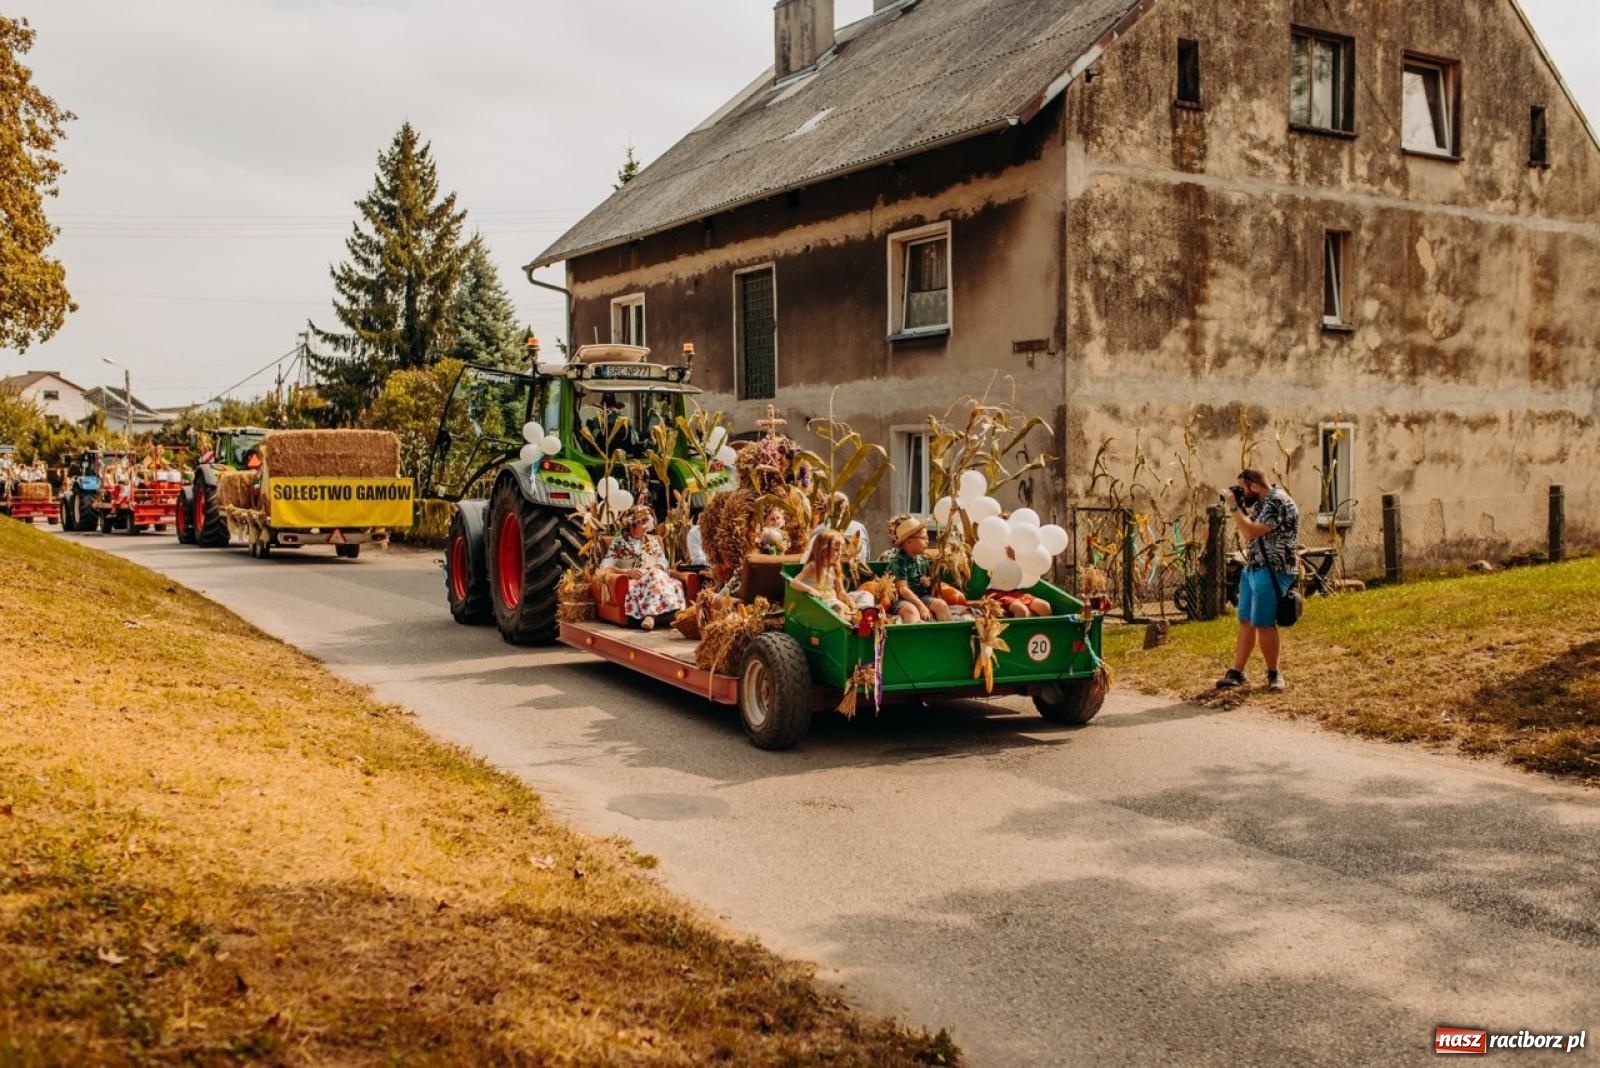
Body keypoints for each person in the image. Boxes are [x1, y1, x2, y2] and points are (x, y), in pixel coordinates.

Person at [1216, 468, 1299, 692]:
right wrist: (1240, 507)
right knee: (1246, 621)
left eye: (1243, 489)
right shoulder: (1262, 503)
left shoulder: (1277, 502)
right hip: (1253, 568)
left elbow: (1252, 532)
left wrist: (1234, 506)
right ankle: (1237, 672)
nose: (1242, 494)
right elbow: (1248, 529)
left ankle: (1274, 673)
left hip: (1273, 569)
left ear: (1254, 486)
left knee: (1263, 622)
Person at [599, 505, 686, 631]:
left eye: (646, 522)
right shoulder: (620, 543)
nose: (646, 526)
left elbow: (663, 561)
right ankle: (666, 615)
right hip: (636, 582)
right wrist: (626, 572)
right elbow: (605, 565)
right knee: (656, 577)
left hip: (655, 578)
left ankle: (651, 615)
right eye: (643, 523)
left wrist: (653, 569)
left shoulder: (651, 541)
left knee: (670, 580)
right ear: (632, 525)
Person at [886, 516, 952, 624]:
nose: (927, 541)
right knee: (911, 611)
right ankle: (916, 639)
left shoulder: (922, 560)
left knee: (941, 605)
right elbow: (903, 590)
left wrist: (927, 582)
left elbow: (927, 582)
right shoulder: (899, 563)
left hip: (921, 597)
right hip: (902, 600)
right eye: (923, 538)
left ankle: (949, 637)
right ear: (909, 542)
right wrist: (921, 606)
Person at [790, 528, 855, 618]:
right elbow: (794, 583)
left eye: (841, 550)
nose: (839, 553)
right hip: (818, 603)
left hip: (831, 601)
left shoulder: (835, 567)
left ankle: (860, 630)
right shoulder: (813, 566)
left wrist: (848, 600)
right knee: (839, 609)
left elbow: (840, 591)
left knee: (853, 613)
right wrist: (810, 590)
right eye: (836, 550)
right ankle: (842, 629)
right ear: (823, 551)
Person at [806, 491, 870, 561]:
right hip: (859, 570)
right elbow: (867, 559)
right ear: (848, 509)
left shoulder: (817, 532)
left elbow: (808, 561)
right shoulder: (860, 528)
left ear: (825, 509)